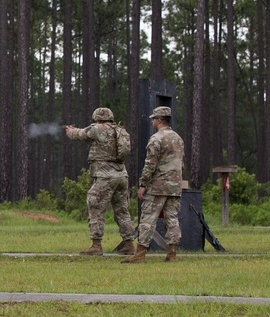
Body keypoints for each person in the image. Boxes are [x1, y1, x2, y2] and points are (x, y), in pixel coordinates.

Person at [64, 107, 136, 256]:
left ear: (97, 118)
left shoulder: (97, 128)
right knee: (122, 210)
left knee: (95, 206)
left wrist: (70, 131)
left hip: (105, 175)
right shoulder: (121, 130)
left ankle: (96, 245)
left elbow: (81, 135)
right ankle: (129, 244)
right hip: (122, 175)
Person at [124, 106, 185, 264]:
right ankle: (172, 254)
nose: (151, 121)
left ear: (159, 120)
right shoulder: (178, 138)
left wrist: (143, 184)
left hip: (158, 185)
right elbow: (181, 163)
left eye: (153, 119)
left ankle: (140, 253)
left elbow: (150, 164)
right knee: (172, 219)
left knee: (148, 219)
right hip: (175, 185)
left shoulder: (156, 139)